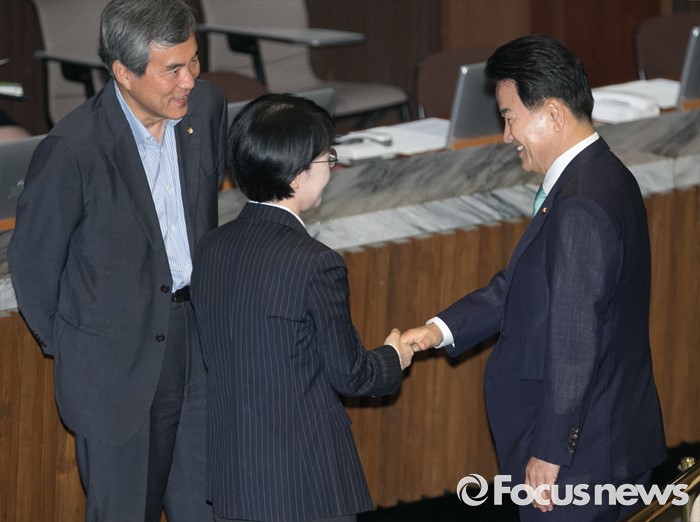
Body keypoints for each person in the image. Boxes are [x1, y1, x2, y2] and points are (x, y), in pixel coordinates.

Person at [401, 35, 666, 521]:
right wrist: (441, 329)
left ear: (553, 113)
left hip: (582, 461)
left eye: (509, 117)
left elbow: (574, 340)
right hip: (610, 437)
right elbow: (532, 283)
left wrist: (549, 451)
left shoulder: (580, 204)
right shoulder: (606, 174)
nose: (506, 136)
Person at [8, 0, 226, 519]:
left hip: (198, 345)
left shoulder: (206, 109)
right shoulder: (73, 148)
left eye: (194, 60)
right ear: (123, 72)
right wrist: (84, 347)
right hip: (116, 371)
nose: (190, 80)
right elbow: (33, 266)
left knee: (209, 508)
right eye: (172, 69)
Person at [190, 93, 414, 522]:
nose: (331, 169)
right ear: (297, 174)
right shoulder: (315, 262)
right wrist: (393, 357)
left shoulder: (211, 247)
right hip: (305, 481)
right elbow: (351, 374)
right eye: (327, 158)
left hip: (235, 478)